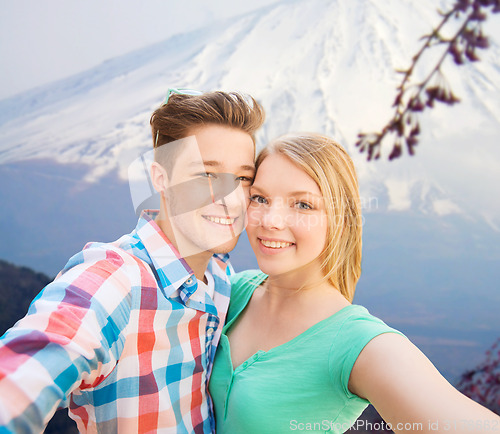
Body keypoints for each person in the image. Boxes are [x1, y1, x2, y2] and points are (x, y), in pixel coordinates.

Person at [0, 89, 264, 433]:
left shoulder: (221, 279)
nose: (229, 197)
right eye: (207, 175)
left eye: (242, 178)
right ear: (161, 179)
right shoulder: (117, 279)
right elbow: (22, 376)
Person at [209, 133, 500, 433]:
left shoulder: (357, 343)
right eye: (260, 198)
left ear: (341, 221)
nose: (271, 220)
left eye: (303, 205)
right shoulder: (230, 292)